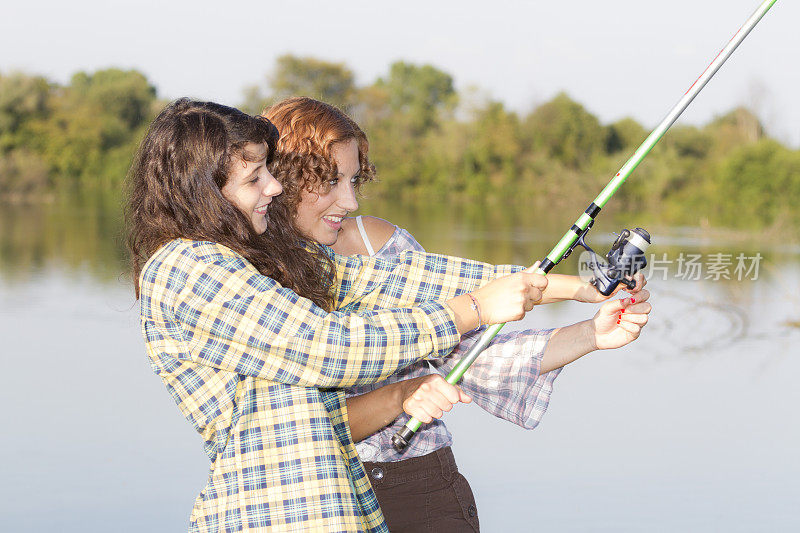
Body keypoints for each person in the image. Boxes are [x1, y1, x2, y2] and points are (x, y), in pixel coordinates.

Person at [125, 98, 553, 532]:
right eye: (256, 177)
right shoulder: (192, 268)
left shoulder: (259, 262)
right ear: (204, 192)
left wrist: (571, 287)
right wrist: (473, 309)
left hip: (340, 506)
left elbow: (393, 281)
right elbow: (329, 346)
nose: (272, 187)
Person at [264, 96, 652, 532]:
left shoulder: (378, 243)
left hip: (418, 488)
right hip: (307, 501)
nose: (349, 200)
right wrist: (400, 395)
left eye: (354, 180)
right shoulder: (245, 278)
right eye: (331, 181)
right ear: (282, 178)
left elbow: (471, 350)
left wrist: (591, 330)